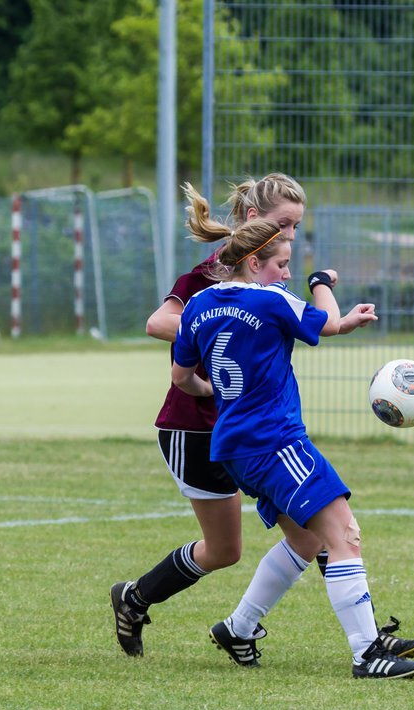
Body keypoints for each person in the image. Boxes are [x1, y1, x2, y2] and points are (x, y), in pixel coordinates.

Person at [171, 185, 414, 679]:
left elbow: (182, 379)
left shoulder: (199, 306)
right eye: (282, 263)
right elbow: (328, 322)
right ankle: (367, 652)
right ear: (252, 263)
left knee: (308, 541)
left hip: (233, 447)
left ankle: (239, 627)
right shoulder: (272, 300)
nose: (286, 273)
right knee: (343, 534)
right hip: (275, 441)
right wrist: (319, 282)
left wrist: (228, 396)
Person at [110, 174, 307, 657]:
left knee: (314, 529)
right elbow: (158, 323)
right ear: (253, 218)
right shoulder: (209, 276)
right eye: (284, 224)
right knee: (224, 551)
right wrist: (221, 322)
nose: (292, 238)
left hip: (252, 433)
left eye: (298, 227)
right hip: (194, 428)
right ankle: (135, 598)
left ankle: (356, 636)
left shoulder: (270, 277)